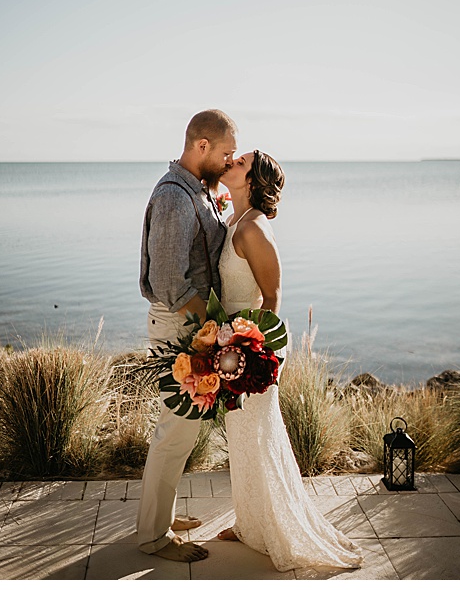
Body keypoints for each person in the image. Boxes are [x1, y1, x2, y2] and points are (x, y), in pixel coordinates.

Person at [212, 150, 362, 571]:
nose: (230, 162)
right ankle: (251, 523)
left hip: (252, 347)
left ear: (253, 181)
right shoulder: (235, 220)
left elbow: (273, 296)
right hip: (232, 344)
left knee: (258, 436)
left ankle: (276, 529)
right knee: (242, 437)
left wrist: (251, 350)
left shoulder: (254, 229)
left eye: (239, 162)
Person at [136, 109, 236, 562]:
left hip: (187, 325)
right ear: (201, 147)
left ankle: (163, 514)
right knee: (175, 432)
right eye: (226, 153)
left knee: (178, 429)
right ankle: (154, 537)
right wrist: (211, 323)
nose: (229, 161)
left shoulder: (196, 190)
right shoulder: (176, 197)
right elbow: (171, 282)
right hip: (181, 324)